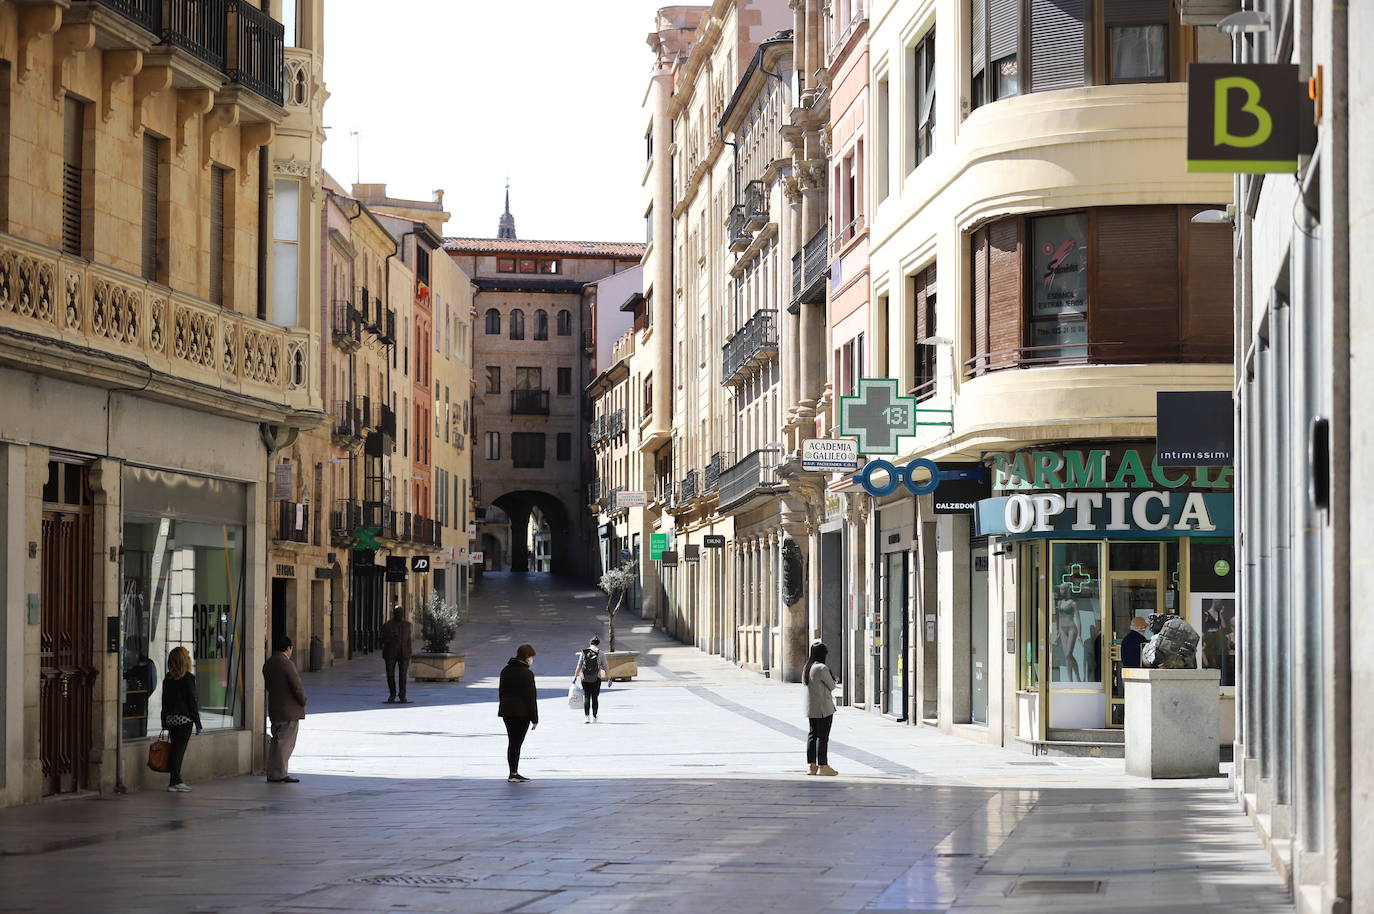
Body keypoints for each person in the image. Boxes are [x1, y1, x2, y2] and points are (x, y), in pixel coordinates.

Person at [263, 635, 307, 783]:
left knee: (277, 742)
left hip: (275, 708)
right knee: (285, 744)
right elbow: (297, 686)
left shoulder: (269, 663)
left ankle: (273, 772)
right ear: (289, 648)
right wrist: (303, 700)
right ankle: (279, 774)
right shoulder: (287, 664)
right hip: (289, 711)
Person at [161, 646, 202, 792]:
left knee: (175, 749)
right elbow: (192, 702)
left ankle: (173, 781)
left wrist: (164, 720)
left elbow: (164, 701)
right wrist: (197, 722)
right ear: (185, 660)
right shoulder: (188, 678)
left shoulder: (168, 678)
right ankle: (176, 781)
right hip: (184, 720)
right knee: (178, 750)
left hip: (171, 719)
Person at [498, 643, 538, 782]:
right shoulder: (527, 673)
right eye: (531, 657)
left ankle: (513, 772)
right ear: (526, 657)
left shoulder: (505, 670)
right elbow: (530, 697)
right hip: (522, 713)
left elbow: (501, 692)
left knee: (512, 742)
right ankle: (513, 774)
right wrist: (534, 718)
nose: (532, 660)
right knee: (517, 743)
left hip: (507, 711)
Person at [804, 642, 839, 776]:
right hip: (824, 708)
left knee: (812, 735)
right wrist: (834, 679)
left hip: (812, 707)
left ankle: (812, 765)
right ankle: (823, 765)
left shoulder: (808, 667)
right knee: (823, 737)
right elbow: (832, 686)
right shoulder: (822, 668)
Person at [380, 604, 413, 704]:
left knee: (403, 675)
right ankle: (392, 695)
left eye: (401, 613)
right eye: (397, 613)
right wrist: (390, 637)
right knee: (390, 675)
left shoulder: (407, 625)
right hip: (390, 653)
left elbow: (409, 640)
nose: (399, 614)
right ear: (394, 613)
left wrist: (409, 652)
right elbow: (381, 639)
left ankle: (402, 696)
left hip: (403, 653)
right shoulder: (387, 625)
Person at [573, 637, 607, 723]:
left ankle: (587, 717)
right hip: (596, 678)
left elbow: (579, 666)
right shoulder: (601, 653)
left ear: (590, 643)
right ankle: (594, 717)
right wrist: (609, 678)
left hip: (585, 678)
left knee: (587, 697)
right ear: (598, 644)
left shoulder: (584, 652)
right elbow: (606, 667)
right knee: (595, 698)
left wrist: (575, 677)